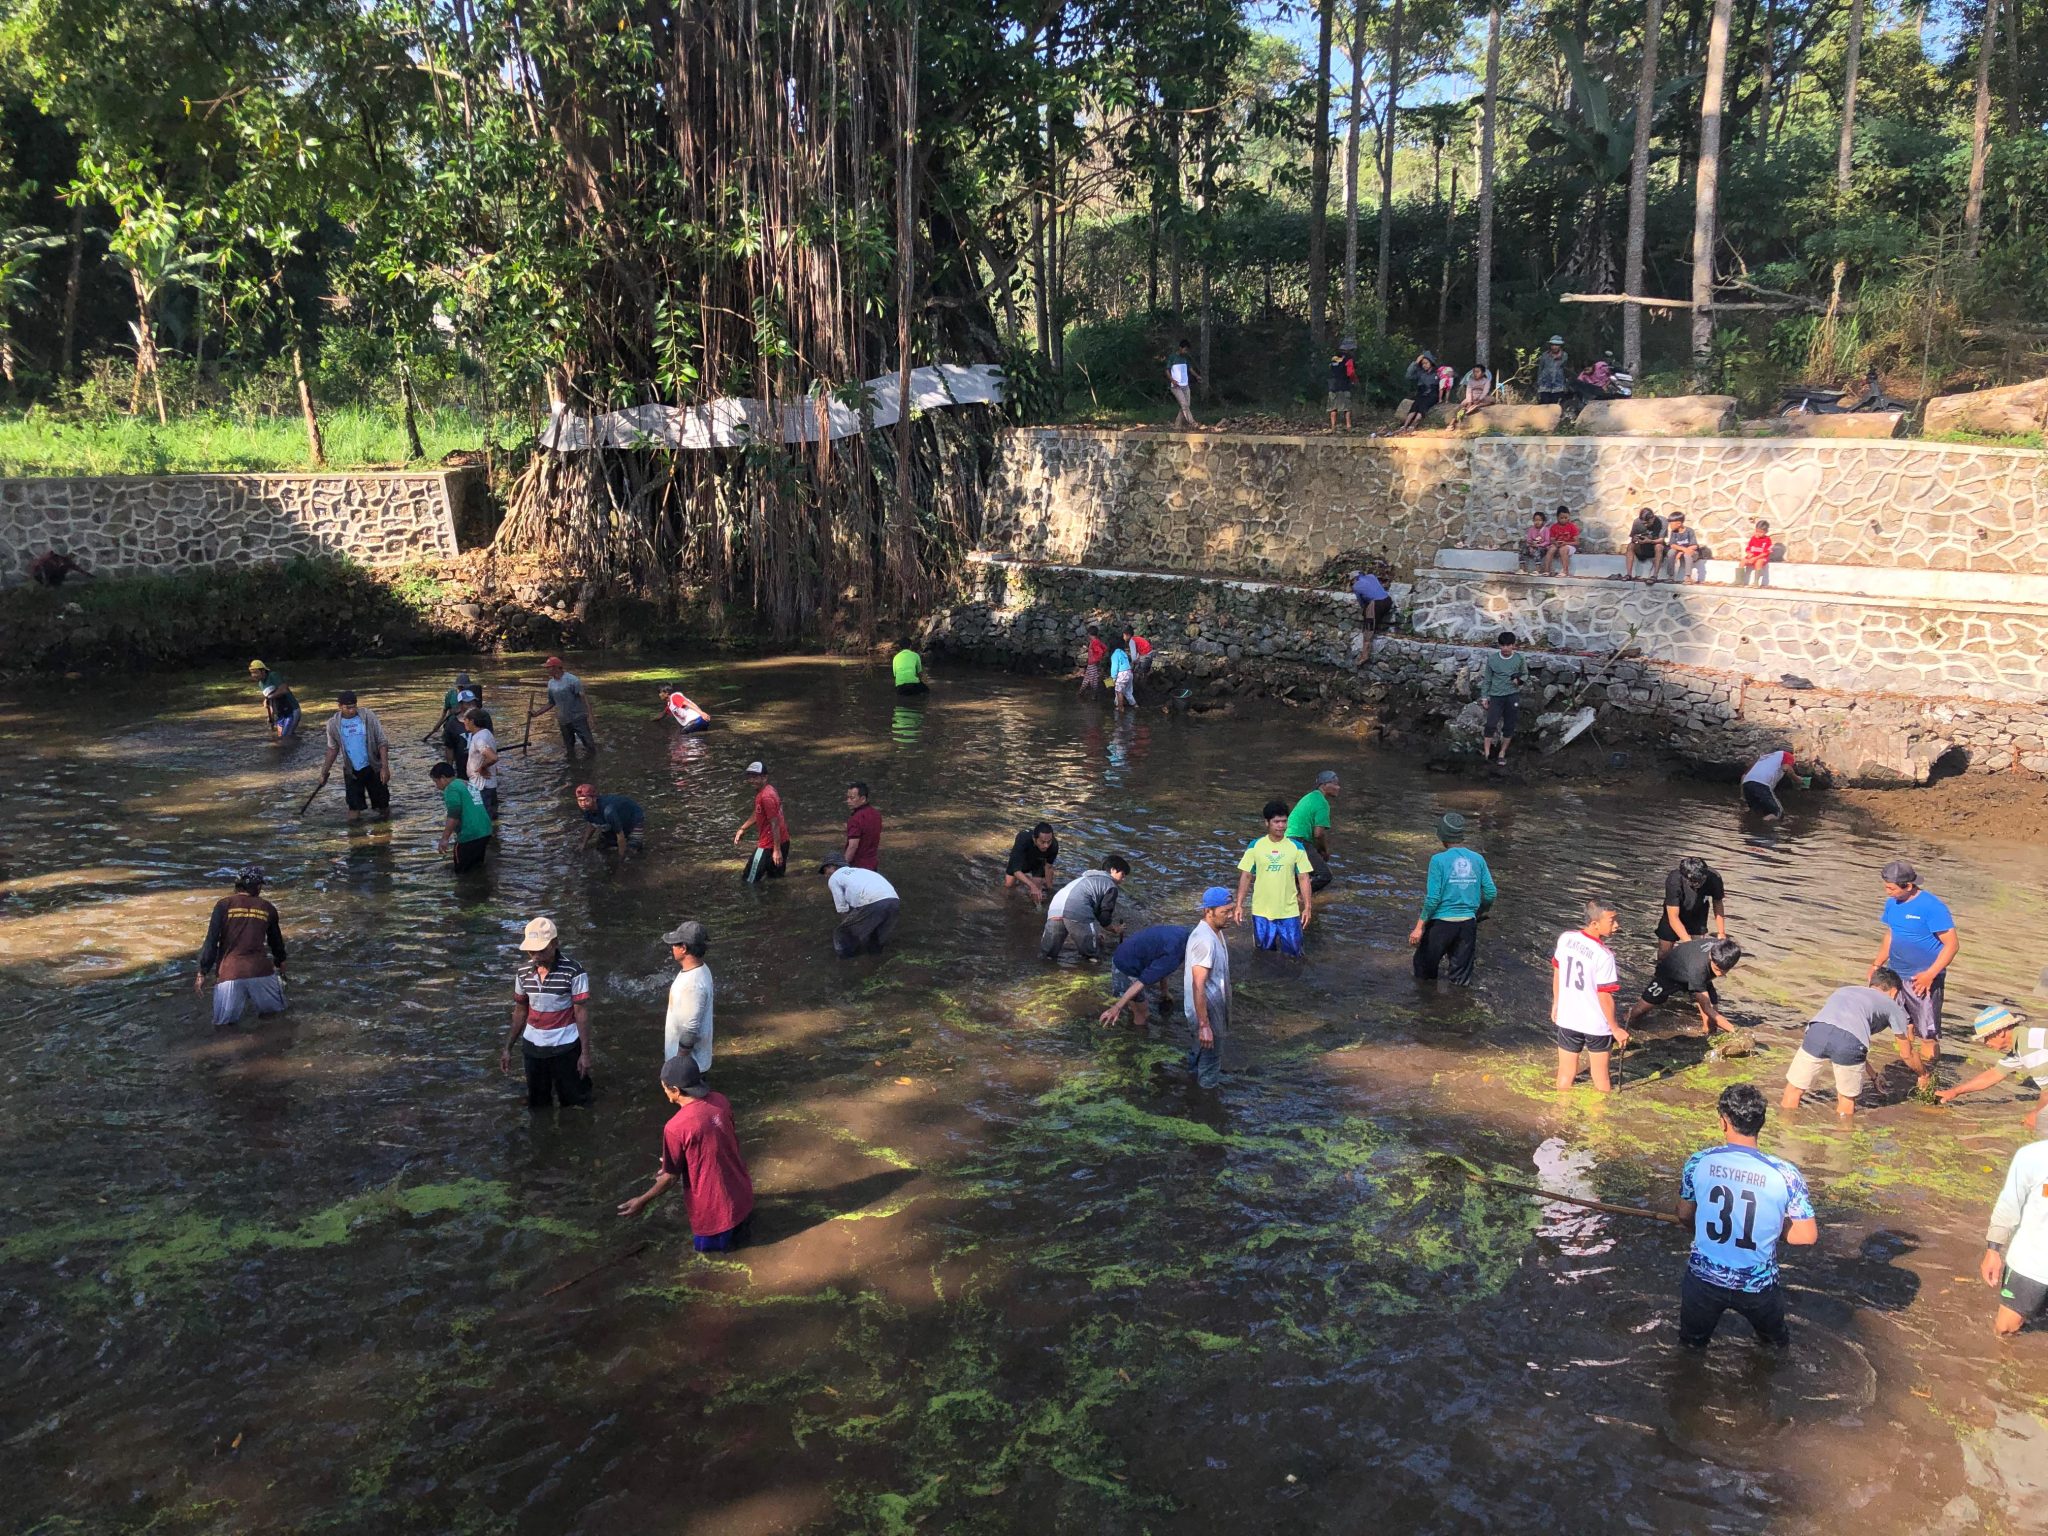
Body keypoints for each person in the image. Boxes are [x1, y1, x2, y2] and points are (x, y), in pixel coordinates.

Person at [1676, 1084, 1818, 1350]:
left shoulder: (1698, 1162)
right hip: (1758, 1284)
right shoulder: (1785, 1174)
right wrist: (1774, 1223)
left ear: (1723, 1121)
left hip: (1704, 1279)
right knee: (1775, 1347)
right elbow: (1806, 1236)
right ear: (1761, 1122)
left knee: (1690, 1348)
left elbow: (1685, 1215)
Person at [617, 1054, 756, 1252]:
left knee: (710, 1263)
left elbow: (670, 1177)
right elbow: (719, 1139)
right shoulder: (720, 1101)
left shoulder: (676, 1127)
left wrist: (641, 1201)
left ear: (675, 1090)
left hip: (715, 1212)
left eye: (664, 1087)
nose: (664, 1091)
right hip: (743, 1197)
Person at [1869, 858, 1958, 1087]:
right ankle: (1909, 1068)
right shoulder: (1892, 902)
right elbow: (1892, 934)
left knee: (1926, 1033)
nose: (1887, 892)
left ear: (1908, 886)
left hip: (1924, 980)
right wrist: (1877, 963)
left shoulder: (1932, 907)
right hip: (1897, 976)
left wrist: (1930, 974)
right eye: (1885, 886)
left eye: (1891, 887)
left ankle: (1927, 1077)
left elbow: (1952, 945)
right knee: (1902, 1026)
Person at [1780, 971, 1912, 1120]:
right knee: (1846, 1099)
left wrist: (1874, 1076)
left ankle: (1785, 1132)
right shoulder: (1891, 1005)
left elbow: (1840, 1033)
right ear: (1894, 991)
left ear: (1871, 984)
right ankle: (1842, 1138)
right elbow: (1906, 1053)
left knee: (1794, 1089)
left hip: (1817, 1031)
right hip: (1850, 1043)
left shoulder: (1844, 991)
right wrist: (1923, 1074)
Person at [500, 916, 592, 1108]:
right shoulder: (523, 973)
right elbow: (520, 1011)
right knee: (538, 1104)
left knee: (574, 1102)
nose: (535, 955)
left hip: (566, 1047)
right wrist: (508, 1048)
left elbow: (581, 1013)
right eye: (532, 950)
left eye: (541, 950)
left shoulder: (574, 971)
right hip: (533, 1048)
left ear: (555, 944)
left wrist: (585, 1053)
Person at [1410, 812, 1497, 985]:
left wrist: (1419, 927)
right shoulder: (1478, 859)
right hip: (1467, 925)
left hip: (1441, 925)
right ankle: (1458, 1005)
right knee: (1461, 980)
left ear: (1441, 835)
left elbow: (1433, 898)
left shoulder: (1438, 860)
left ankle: (1427, 1007)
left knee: (1423, 972)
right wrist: (1478, 913)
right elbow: (1490, 893)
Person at [195, 864, 287, 1027]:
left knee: (224, 1029)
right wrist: (280, 962)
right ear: (258, 887)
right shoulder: (267, 908)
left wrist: (202, 971)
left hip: (230, 974)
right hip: (261, 972)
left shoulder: (223, 905)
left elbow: (211, 941)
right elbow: (276, 943)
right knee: (276, 1021)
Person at [1976, 1130, 2048, 1336]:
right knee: (2005, 1329)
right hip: (2031, 1265)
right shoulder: (2032, 1157)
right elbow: (2009, 1204)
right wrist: (1993, 1250)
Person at [1552, 899, 1626, 1092]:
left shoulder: (1566, 938)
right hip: (1596, 1024)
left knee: (1566, 1073)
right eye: (1612, 921)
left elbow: (1557, 971)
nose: (1617, 926)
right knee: (1600, 1077)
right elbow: (1604, 996)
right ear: (1594, 923)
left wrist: (1556, 1004)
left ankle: (1558, 1114)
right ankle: (1599, 1117)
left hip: (1568, 1018)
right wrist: (1616, 1028)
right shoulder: (1604, 955)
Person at [1938, 1005, 2048, 1130]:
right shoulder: (2022, 1042)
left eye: (1986, 1037)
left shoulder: (2031, 1049)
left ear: (2000, 1032)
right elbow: (1995, 1074)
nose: (1985, 1043)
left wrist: (2037, 1115)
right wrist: (1955, 1091)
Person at [1233, 800, 1316, 955]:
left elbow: (1304, 878)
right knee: (1263, 955)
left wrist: (1307, 907)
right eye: (1276, 822)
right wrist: (1239, 904)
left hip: (1289, 912)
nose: (1281, 826)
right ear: (1267, 823)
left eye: (1284, 821)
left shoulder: (1296, 847)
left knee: (1294, 956)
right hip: (1261, 912)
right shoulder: (1255, 846)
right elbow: (1246, 875)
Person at [1623, 937, 1745, 1038]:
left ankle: (1708, 1036)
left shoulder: (1724, 949)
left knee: (1713, 1016)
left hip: (1700, 974)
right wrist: (1736, 1031)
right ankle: (1622, 1027)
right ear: (1710, 957)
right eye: (1717, 970)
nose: (1720, 975)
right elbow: (1706, 1008)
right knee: (1639, 1011)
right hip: (1671, 973)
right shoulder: (1698, 968)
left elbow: (1711, 1008)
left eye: (1725, 970)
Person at [1183, 887, 1234, 1089]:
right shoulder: (1204, 941)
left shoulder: (1216, 932)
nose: (1229, 916)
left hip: (1211, 1009)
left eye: (1231, 910)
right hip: (1207, 1013)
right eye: (1225, 912)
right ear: (1208, 911)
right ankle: (1206, 1102)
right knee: (1211, 1062)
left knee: (1200, 1053)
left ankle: (1190, 1086)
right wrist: (1205, 1025)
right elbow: (1198, 984)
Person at [316, 690, 392, 821]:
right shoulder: (333, 724)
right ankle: (355, 837)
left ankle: (384, 835)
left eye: (354, 707)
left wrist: (385, 767)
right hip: (352, 771)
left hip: (373, 767)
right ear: (340, 706)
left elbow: (382, 742)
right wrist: (324, 772)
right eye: (348, 708)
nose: (352, 710)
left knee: (382, 806)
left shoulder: (368, 716)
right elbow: (332, 749)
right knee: (353, 809)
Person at [1099, 922, 1190, 1030]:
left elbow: (1161, 965)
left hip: (1127, 952)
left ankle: (1131, 1012)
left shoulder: (1184, 932)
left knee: (1134, 1006)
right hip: (1125, 966)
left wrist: (1164, 992)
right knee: (1143, 1016)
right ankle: (1137, 1039)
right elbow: (1142, 981)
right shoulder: (1174, 955)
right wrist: (1117, 1007)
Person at [1042, 858, 1130, 962]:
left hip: (1055, 907)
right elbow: (1104, 917)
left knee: (1047, 955)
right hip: (1076, 907)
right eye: (1123, 875)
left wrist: (1094, 932)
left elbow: (1093, 912)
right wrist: (1114, 929)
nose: (1123, 879)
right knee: (1092, 956)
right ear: (1113, 870)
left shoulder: (1085, 879)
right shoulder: (1110, 885)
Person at [821, 854, 900, 957]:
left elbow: (841, 907)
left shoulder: (834, 878)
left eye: (825, 870)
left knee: (842, 933)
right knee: (876, 936)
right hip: (893, 900)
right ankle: (876, 961)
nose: (825, 875)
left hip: (873, 901)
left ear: (832, 866)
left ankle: (845, 964)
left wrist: (848, 924)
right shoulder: (861, 871)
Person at [661, 919, 714, 1072]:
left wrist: (677, 1067)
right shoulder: (701, 969)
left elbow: (690, 1031)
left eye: (675, 944)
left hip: (689, 1068)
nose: (672, 947)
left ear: (683, 948)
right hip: (691, 1064)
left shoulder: (693, 985)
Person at [1656, 857, 1727, 959]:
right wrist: (1689, 943)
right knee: (1664, 950)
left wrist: (1721, 932)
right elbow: (1673, 918)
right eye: (1693, 881)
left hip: (1699, 914)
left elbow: (1718, 902)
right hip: (1675, 911)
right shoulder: (1674, 880)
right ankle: (1661, 970)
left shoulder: (1714, 877)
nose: (1697, 884)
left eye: (1700, 880)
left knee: (1698, 951)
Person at [431, 762, 494, 872]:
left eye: (436, 782)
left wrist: (445, 838)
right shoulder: (467, 784)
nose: (437, 786)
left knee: (461, 872)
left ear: (443, 778)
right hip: (485, 830)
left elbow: (454, 814)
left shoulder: (451, 788)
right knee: (477, 868)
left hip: (470, 833)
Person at [1479, 631, 1530, 766]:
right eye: (1503, 646)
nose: (1506, 649)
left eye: (1509, 645)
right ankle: (1487, 752)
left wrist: (1518, 681)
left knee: (1509, 726)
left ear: (1513, 645)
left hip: (1512, 696)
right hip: (1496, 696)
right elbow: (1487, 680)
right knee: (1490, 724)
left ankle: (1502, 753)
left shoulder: (1519, 658)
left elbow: (1525, 674)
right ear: (1499, 646)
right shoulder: (1493, 659)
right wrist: (1484, 697)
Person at [1285, 770, 1340, 892]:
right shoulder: (1322, 803)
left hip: (1287, 839)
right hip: (1299, 841)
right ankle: (1301, 899)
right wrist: (1324, 851)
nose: (1338, 787)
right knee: (1324, 876)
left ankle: (1290, 897)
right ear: (1324, 785)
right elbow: (1318, 834)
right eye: (1335, 784)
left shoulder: (1309, 797)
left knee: (1300, 875)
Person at [734, 762, 790, 881]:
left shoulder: (766, 797)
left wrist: (776, 850)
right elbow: (758, 813)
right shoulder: (768, 790)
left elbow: (774, 824)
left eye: (755, 777)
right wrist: (743, 828)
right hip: (782, 841)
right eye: (750, 777)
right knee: (775, 880)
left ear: (764, 777)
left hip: (769, 846)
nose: (752, 780)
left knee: (748, 880)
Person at [535, 655, 599, 754]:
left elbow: (583, 698)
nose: (547, 670)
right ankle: (572, 766)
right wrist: (536, 713)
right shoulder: (551, 683)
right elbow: (551, 702)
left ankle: (591, 766)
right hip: (564, 720)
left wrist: (590, 716)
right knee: (569, 749)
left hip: (578, 718)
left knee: (590, 746)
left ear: (557, 667)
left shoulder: (572, 680)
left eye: (549, 667)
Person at [575, 783, 645, 854]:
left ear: (594, 798)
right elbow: (591, 824)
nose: (582, 804)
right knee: (601, 847)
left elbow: (620, 836)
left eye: (586, 800)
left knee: (630, 852)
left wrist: (621, 859)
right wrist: (584, 844)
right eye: (580, 801)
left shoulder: (608, 811)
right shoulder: (585, 809)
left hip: (633, 816)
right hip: (613, 818)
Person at [435, 673, 482, 772]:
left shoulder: (471, 694)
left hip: (467, 725)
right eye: (460, 687)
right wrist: (437, 726)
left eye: (464, 687)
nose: (462, 689)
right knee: (451, 748)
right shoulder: (451, 695)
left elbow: (477, 709)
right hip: (453, 726)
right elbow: (445, 711)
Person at [1004, 821, 1061, 903]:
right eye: (1043, 842)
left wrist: (1050, 890)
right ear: (1035, 839)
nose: (1046, 846)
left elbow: (1048, 867)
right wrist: (1031, 885)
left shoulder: (1054, 845)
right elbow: (1016, 871)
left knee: (1037, 893)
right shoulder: (1023, 839)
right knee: (1008, 885)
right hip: (1022, 857)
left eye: (1049, 841)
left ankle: (1033, 909)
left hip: (1038, 860)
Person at [1739, 746, 1799, 819]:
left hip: (1747, 784)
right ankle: (1764, 828)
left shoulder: (1764, 757)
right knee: (1778, 813)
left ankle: (1750, 828)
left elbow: (1744, 776)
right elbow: (1786, 769)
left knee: (1756, 811)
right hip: (1761, 784)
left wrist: (1743, 796)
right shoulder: (1787, 755)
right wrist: (1797, 779)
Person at [463, 705, 500, 820]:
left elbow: (493, 757)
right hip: (489, 784)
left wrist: (482, 768)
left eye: (466, 720)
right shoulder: (487, 733)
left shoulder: (479, 738)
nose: (464, 722)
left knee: (480, 819)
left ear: (472, 721)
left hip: (480, 786)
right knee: (491, 817)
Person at [250, 660, 301, 740]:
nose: (253, 675)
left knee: (285, 738)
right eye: (252, 673)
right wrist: (271, 717)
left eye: (256, 672)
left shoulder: (273, 676)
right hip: (280, 713)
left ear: (263, 671)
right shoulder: (261, 684)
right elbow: (270, 702)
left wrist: (268, 697)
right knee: (281, 737)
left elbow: (284, 689)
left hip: (292, 710)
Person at [1350, 569, 1392, 660]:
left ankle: (1364, 655)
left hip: (1377, 604)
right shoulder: (1372, 576)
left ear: (1353, 580)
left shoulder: (1356, 586)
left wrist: (1366, 611)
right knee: (1373, 617)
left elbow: (1362, 603)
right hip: (1388, 600)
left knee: (1368, 628)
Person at [1395, 349, 1439, 431]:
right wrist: (1415, 363)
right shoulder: (1420, 373)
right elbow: (1408, 376)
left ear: (1431, 363)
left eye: (1426, 363)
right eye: (1423, 364)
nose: (1424, 365)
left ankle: (1413, 425)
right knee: (1415, 406)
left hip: (1432, 395)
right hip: (1421, 393)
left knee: (1423, 407)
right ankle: (1405, 426)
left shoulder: (1437, 373)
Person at [842, 782, 882, 870]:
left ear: (863, 798)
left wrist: (843, 867)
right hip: (872, 864)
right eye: (847, 797)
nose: (848, 801)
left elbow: (853, 845)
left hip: (858, 866)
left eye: (852, 798)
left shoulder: (855, 819)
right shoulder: (876, 814)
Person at [1624, 507, 1666, 582]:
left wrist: (1650, 541)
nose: (1646, 525)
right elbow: (1633, 538)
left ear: (1652, 518)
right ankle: (1628, 574)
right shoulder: (1637, 522)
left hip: (1654, 546)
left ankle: (1654, 576)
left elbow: (1661, 540)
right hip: (1643, 547)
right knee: (1630, 546)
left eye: (1647, 523)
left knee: (1659, 547)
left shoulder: (1662, 521)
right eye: (1643, 523)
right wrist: (1635, 539)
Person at [1663, 512, 1701, 583]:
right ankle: (1670, 576)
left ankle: (1688, 577)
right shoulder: (1674, 532)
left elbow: (1694, 546)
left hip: (1692, 553)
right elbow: (1672, 545)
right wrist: (1682, 550)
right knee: (1671, 552)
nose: (1670, 526)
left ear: (1679, 524)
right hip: (1681, 551)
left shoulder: (1689, 531)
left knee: (1687, 553)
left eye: (1671, 524)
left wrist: (1682, 552)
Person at [1327, 342, 1358, 429]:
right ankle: (1348, 425)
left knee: (1333, 407)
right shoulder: (1348, 360)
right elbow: (1351, 372)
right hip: (1344, 386)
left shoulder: (1333, 359)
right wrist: (1354, 381)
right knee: (1346, 407)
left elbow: (1330, 371)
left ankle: (1333, 426)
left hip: (1332, 386)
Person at [1542, 506, 1580, 576]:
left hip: (1570, 546)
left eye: (1566, 518)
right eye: (1561, 518)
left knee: (1563, 549)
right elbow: (1552, 539)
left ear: (1569, 517)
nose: (1564, 520)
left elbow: (1577, 542)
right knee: (1551, 549)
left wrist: (1566, 543)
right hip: (1558, 545)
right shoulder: (1554, 527)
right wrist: (1555, 543)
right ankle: (1546, 570)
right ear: (1557, 517)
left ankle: (1565, 571)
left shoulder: (1572, 527)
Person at [1168, 340, 1198, 429]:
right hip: (1176, 386)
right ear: (1180, 348)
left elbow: (1190, 369)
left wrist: (1197, 376)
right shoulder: (1172, 357)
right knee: (1184, 405)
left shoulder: (1185, 359)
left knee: (1186, 405)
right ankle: (1192, 423)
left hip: (1185, 385)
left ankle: (1177, 425)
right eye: (1185, 350)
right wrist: (1172, 380)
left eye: (1187, 350)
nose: (1186, 352)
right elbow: (1167, 370)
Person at [1535, 336, 1571, 405]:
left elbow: (1565, 368)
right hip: (1545, 384)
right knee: (1544, 404)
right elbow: (1540, 368)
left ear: (1560, 346)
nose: (1554, 347)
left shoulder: (1564, 355)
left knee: (1555, 404)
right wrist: (1539, 381)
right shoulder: (1545, 355)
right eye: (1553, 345)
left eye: (1556, 345)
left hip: (1558, 384)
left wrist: (1565, 384)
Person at [1738, 519, 1773, 584]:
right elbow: (1748, 548)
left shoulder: (1767, 540)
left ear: (1766, 532)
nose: (1758, 533)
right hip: (1753, 556)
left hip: (1761, 557)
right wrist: (1749, 553)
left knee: (1758, 563)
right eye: (1757, 531)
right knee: (1742, 561)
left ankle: (1756, 582)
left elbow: (1766, 553)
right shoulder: (1753, 538)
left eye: (1761, 532)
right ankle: (1738, 580)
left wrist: (1755, 558)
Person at [1079, 624, 1106, 699]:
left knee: (1093, 681)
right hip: (1092, 664)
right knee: (1087, 678)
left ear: (1089, 634)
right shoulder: (1097, 641)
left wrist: (1096, 659)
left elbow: (1100, 651)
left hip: (1093, 664)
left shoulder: (1094, 642)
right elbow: (1105, 648)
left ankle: (1094, 696)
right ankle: (1080, 693)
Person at [1108, 638, 1135, 713]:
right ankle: (1135, 705)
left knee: (1118, 690)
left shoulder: (1115, 654)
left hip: (1122, 674)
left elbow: (1114, 668)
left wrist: (1113, 678)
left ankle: (1120, 707)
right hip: (1129, 673)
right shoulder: (1123, 653)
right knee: (1128, 691)